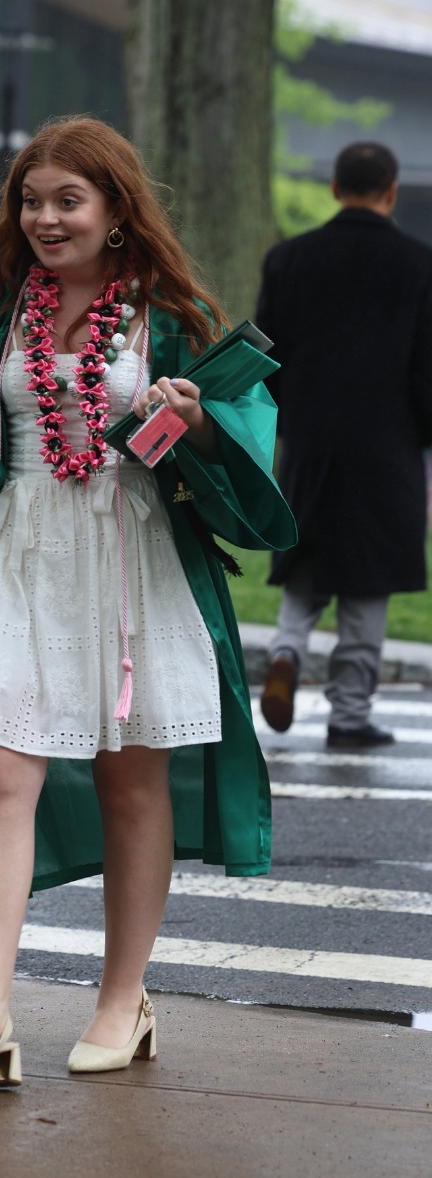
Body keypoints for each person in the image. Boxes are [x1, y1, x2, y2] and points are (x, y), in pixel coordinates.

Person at [0, 116, 294, 1084]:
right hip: (22, 550)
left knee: (134, 784)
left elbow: (236, 447)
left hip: (131, 552)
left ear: (116, 209)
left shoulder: (165, 314)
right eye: (31, 200)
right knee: (0, 771)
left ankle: (122, 1001)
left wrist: (197, 421)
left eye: (67, 200)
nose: (45, 217)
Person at [257, 142, 432, 749]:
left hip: (309, 441)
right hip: (387, 448)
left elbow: (267, 360)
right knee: (368, 583)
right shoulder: (419, 265)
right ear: (391, 190)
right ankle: (350, 713)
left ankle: (285, 653)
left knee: (305, 566)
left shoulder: (287, 260)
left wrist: (285, 427)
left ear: (334, 187)